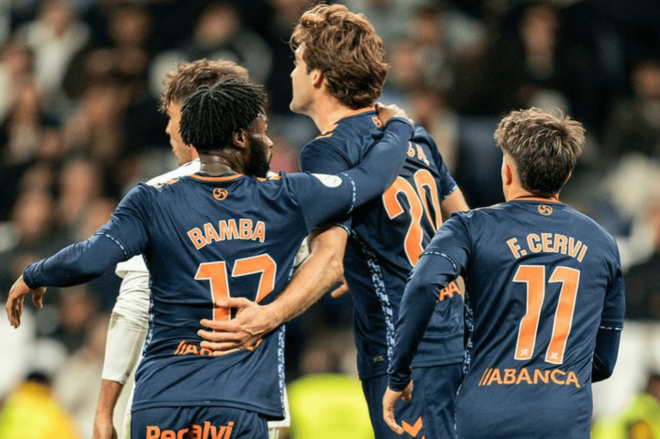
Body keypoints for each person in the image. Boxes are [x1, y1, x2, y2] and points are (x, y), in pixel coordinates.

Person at [6, 78, 414, 439]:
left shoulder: (151, 199)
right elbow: (371, 178)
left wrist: (35, 274)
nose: (270, 142)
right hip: (238, 404)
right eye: (262, 130)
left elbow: (90, 259)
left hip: (161, 401)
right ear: (240, 138)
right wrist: (398, 123)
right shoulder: (287, 196)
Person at [198, 4, 469, 439]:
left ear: (319, 76)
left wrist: (265, 318)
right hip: (453, 340)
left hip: (402, 347)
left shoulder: (326, 151)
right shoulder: (415, 135)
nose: (292, 73)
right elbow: (462, 223)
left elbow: (326, 260)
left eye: (297, 63)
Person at [383, 107, 625, 439]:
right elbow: (604, 361)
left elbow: (423, 284)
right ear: (567, 175)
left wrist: (398, 373)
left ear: (507, 172)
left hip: (487, 412)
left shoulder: (469, 227)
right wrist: (555, 379)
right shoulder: (603, 242)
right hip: (564, 415)